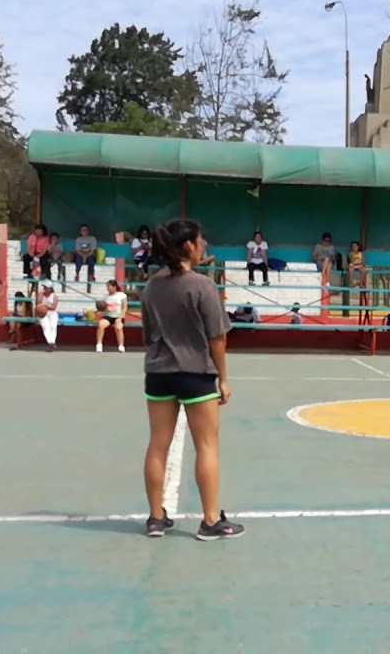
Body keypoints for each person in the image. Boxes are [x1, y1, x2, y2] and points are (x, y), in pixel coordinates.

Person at [140, 218, 243, 541]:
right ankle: (211, 520)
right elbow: (217, 338)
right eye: (201, 240)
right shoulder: (202, 285)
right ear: (188, 245)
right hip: (195, 373)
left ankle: (156, 518)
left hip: (158, 373)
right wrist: (223, 379)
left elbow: (147, 335)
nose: (205, 245)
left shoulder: (151, 286)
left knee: (158, 445)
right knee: (207, 447)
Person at [96, 279, 127, 353]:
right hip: (108, 316)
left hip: (118, 316)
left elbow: (125, 307)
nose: (107, 288)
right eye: (107, 286)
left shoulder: (121, 295)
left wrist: (120, 318)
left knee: (118, 328)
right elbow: (103, 309)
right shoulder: (105, 297)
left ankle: (121, 346)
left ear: (114, 287)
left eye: (109, 286)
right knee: (101, 325)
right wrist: (100, 310)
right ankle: (99, 345)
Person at [36, 280, 59, 353]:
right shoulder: (41, 294)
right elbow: (38, 303)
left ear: (50, 289)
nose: (44, 289)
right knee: (46, 326)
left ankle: (52, 341)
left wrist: (45, 306)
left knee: (53, 326)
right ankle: (50, 343)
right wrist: (41, 294)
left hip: (52, 312)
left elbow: (53, 307)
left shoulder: (54, 297)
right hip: (42, 313)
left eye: (46, 287)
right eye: (44, 287)